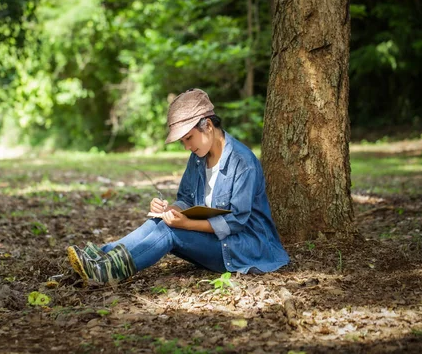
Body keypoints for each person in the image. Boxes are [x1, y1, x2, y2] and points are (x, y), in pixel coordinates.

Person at [67, 89, 289, 284]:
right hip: (214, 241)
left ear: (208, 126)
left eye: (189, 138)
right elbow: (185, 199)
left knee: (169, 230)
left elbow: (235, 222)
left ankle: (108, 271)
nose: (187, 147)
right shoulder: (199, 157)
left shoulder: (243, 162)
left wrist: (186, 223)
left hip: (244, 248)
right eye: (183, 141)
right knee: (160, 221)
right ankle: (100, 256)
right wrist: (169, 209)